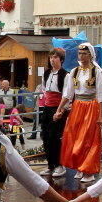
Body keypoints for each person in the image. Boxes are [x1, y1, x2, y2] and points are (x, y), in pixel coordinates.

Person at [55, 43, 102, 183]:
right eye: (79, 53)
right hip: (77, 106)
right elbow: (68, 93)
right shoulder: (74, 71)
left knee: (88, 139)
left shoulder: (96, 71)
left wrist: (101, 115)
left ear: (90, 55)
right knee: (73, 136)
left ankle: (88, 170)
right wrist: (59, 109)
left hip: (91, 106)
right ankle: (79, 166)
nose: (81, 56)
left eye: (84, 53)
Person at [38, 48, 68, 177]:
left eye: (55, 57)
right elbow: (45, 90)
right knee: (45, 136)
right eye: (51, 57)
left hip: (58, 108)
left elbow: (67, 94)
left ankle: (60, 165)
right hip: (47, 107)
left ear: (61, 59)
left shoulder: (65, 75)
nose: (52, 60)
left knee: (56, 137)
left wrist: (60, 110)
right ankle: (50, 164)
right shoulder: (46, 73)